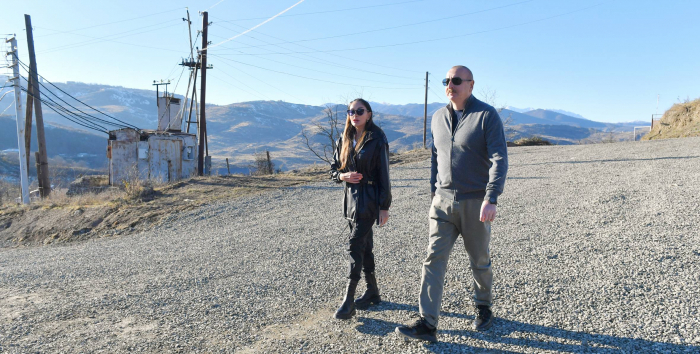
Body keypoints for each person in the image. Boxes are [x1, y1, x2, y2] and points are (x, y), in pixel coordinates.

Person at [395, 65, 508, 342]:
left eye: (456, 80)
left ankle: (483, 307)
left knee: (479, 259)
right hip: (442, 202)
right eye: (447, 80)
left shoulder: (486, 115)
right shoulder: (437, 117)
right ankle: (427, 323)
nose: (450, 84)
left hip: (474, 202)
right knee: (433, 259)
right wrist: (434, 191)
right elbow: (435, 158)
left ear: (470, 84)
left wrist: (491, 198)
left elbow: (499, 158)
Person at [329, 98, 392, 320]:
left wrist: (384, 206)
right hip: (350, 203)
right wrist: (342, 176)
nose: (354, 114)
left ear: (369, 114)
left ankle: (349, 300)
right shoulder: (344, 138)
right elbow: (333, 170)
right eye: (351, 111)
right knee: (365, 247)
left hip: (369, 201)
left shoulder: (377, 138)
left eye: (359, 111)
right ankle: (373, 292)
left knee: (355, 244)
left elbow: (384, 173)